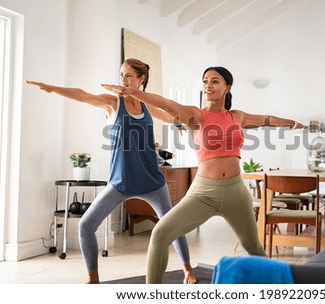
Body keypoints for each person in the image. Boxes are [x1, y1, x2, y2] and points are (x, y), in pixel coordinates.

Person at [102, 66, 306, 283]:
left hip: (236, 192)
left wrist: (294, 124)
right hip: (204, 193)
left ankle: (282, 288)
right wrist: (133, 92)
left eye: (215, 81)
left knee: (253, 246)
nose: (208, 85)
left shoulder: (237, 117)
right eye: (205, 81)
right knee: (160, 234)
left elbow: (267, 120)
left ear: (227, 87)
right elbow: (165, 103)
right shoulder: (196, 115)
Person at [26, 58, 197, 284]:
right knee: (87, 225)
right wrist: (53, 89)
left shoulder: (147, 106)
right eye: (121, 75)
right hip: (120, 181)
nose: (123, 80)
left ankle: (188, 270)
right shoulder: (113, 103)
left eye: (128, 75)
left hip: (152, 181)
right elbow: (84, 95)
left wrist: (177, 124)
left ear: (140, 79)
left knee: (172, 226)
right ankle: (93, 277)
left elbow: (166, 113)